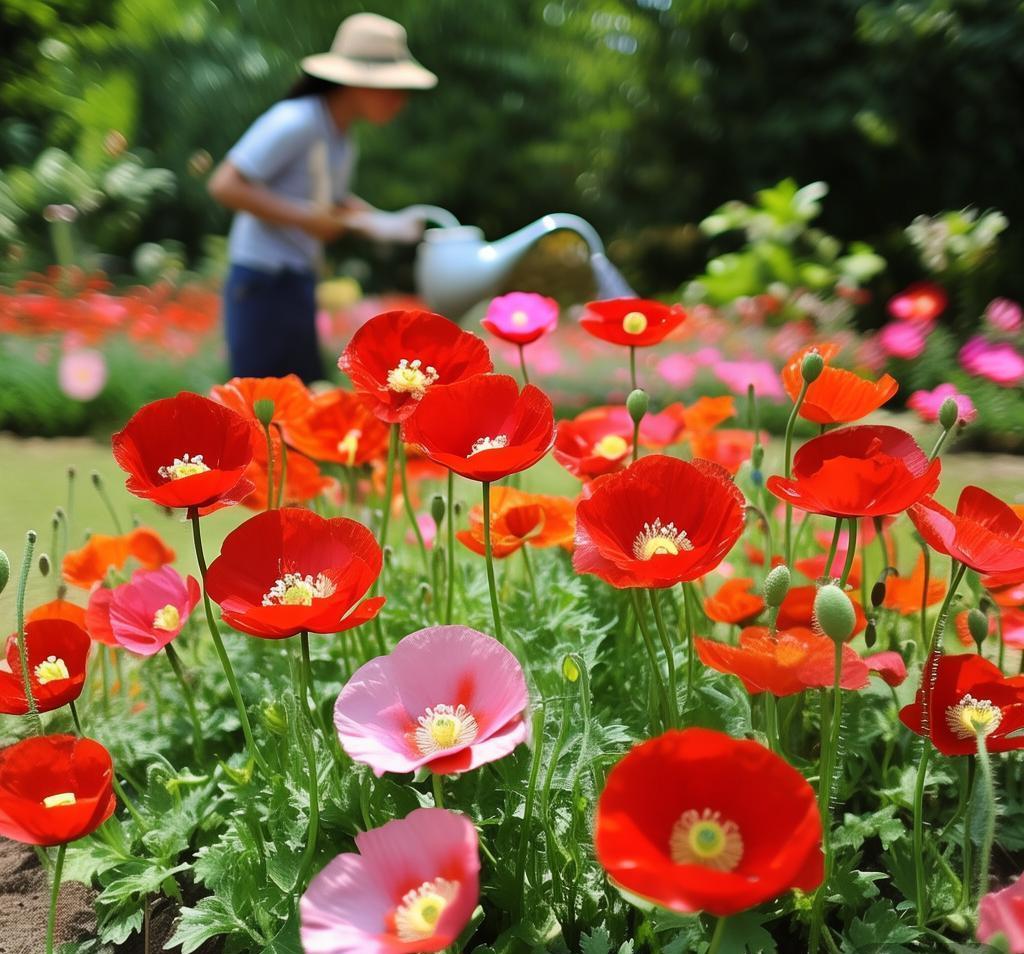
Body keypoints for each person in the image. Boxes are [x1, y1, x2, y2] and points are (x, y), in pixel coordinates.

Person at [208, 13, 437, 382]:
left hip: (297, 278)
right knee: (257, 404)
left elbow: (332, 200)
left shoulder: (340, 134)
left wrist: (384, 223)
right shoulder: (295, 121)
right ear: (358, 82)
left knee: (300, 403)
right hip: (262, 280)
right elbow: (225, 185)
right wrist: (306, 219)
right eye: (394, 88)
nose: (401, 100)